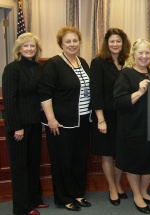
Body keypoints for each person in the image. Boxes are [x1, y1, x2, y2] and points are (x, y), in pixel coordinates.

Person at [39, 26, 91, 212]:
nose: (72, 44)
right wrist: (51, 119)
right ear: (61, 44)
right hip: (61, 123)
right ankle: (64, 198)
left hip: (83, 120)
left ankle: (77, 193)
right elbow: (45, 94)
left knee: (79, 160)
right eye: (67, 41)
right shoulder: (53, 64)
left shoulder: (83, 62)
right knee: (63, 162)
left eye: (75, 41)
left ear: (80, 42)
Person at [113, 39, 150, 214]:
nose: (144, 56)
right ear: (133, 55)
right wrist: (139, 92)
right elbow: (119, 102)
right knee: (133, 161)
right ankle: (136, 194)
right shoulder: (126, 74)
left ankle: (144, 191)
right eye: (140, 53)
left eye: (147, 53)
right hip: (132, 127)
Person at [2, 32, 49, 215]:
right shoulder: (12, 69)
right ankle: (22, 207)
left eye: (32, 46)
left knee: (32, 163)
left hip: (35, 123)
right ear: (19, 49)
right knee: (20, 166)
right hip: (19, 126)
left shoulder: (38, 68)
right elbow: (10, 100)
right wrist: (16, 126)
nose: (29, 49)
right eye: (26, 46)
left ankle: (35, 199)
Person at [90, 28, 131, 206]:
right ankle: (112, 187)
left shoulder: (127, 62)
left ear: (123, 44)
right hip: (105, 115)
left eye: (118, 41)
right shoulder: (98, 63)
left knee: (121, 152)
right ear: (107, 43)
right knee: (107, 154)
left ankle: (118, 184)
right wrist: (101, 119)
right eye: (112, 41)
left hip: (123, 115)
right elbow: (96, 93)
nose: (115, 44)